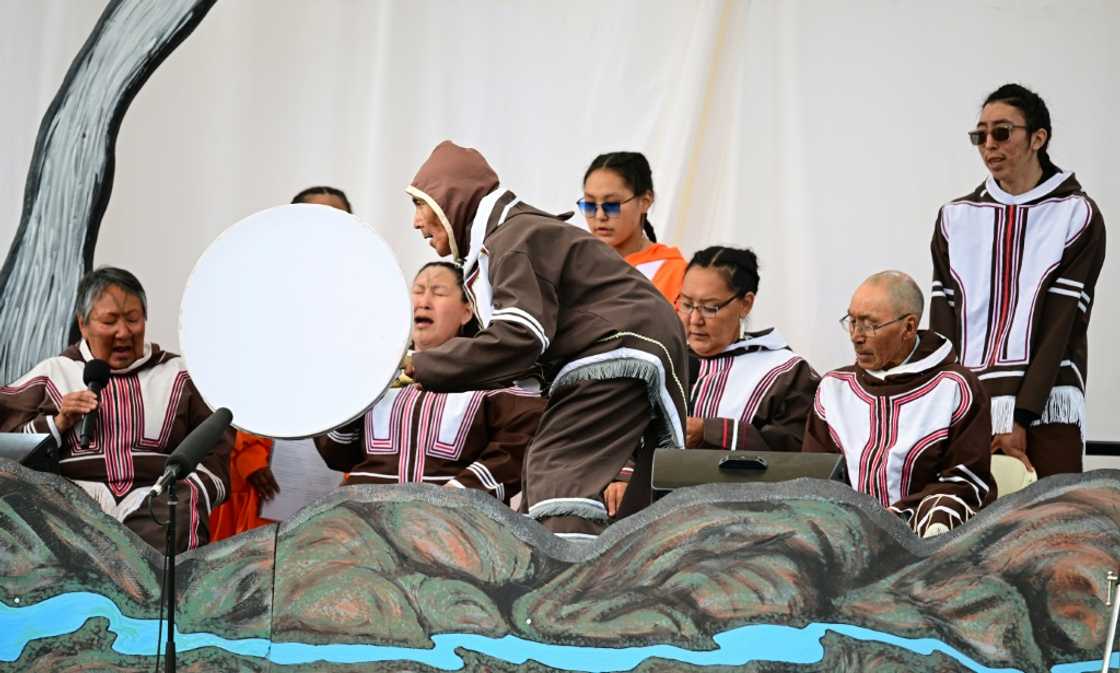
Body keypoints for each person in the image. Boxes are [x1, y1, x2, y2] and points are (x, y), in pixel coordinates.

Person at [404, 140, 688, 538]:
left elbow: (521, 337)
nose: (416, 222)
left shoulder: (511, 239)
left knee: (559, 469)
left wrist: (421, 364)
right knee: (562, 472)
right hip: (617, 348)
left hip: (617, 347)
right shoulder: (511, 236)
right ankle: (610, 577)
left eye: (421, 205)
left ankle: (571, 589)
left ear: (452, 200)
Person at [930, 84, 1106, 477]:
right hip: (968, 409)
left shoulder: (1076, 215)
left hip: (1045, 409)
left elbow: (1061, 325)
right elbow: (943, 320)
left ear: (1038, 138)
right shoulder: (955, 219)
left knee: (1051, 527)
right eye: (980, 135)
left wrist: (1021, 417)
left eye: (1002, 132)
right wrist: (944, 408)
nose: (989, 144)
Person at [0, 266, 231, 551]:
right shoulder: (52, 373)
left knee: (176, 511)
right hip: (72, 503)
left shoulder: (179, 374)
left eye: (133, 319)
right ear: (83, 324)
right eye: (109, 321)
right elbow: (8, 445)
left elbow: (216, 446)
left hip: (158, 498)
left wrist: (191, 492)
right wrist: (57, 423)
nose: (123, 332)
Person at [317, 262, 542, 500]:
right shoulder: (377, 370)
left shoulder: (490, 374)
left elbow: (520, 440)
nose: (423, 302)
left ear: (467, 310)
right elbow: (337, 455)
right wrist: (352, 404)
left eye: (438, 292)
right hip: (366, 515)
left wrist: (459, 493)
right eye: (417, 291)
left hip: (455, 520)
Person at [209, 185, 353, 541]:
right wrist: (249, 457)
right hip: (266, 476)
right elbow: (234, 377)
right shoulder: (256, 294)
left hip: (338, 471)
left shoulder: (365, 299)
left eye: (338, 222)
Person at [804, 271, 996, 538]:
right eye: (852, 321)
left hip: (925, 538)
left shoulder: (955, 387)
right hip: (846, 534)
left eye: (870, 325)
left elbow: (965, 482)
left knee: (943, 511)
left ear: (908, 327)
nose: (856, 336)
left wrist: (894, 517)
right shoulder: (834, 388)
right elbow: (815, 478)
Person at [679, 246, 819, 451]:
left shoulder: (785, 372)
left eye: (710, 307)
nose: (694, 319)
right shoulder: (662, 360)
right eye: (686, 304)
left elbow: (796, 449)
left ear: (745, 304)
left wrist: (711, 432)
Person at [580, 152, 687, 303]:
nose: (599, 216)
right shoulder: (575, 265)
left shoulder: (674, 273)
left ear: (645, 201)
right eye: (590, 204)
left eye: (612, 204)